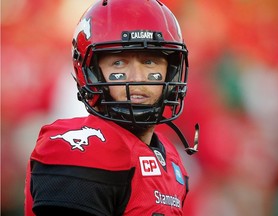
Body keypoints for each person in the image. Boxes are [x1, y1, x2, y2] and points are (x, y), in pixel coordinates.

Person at [24, 0, 199, 215]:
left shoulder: (170, 158)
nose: (137, 79)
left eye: (150, 62)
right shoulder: (80, 151)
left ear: (171, 71)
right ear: (90, 72)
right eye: (119, 63)